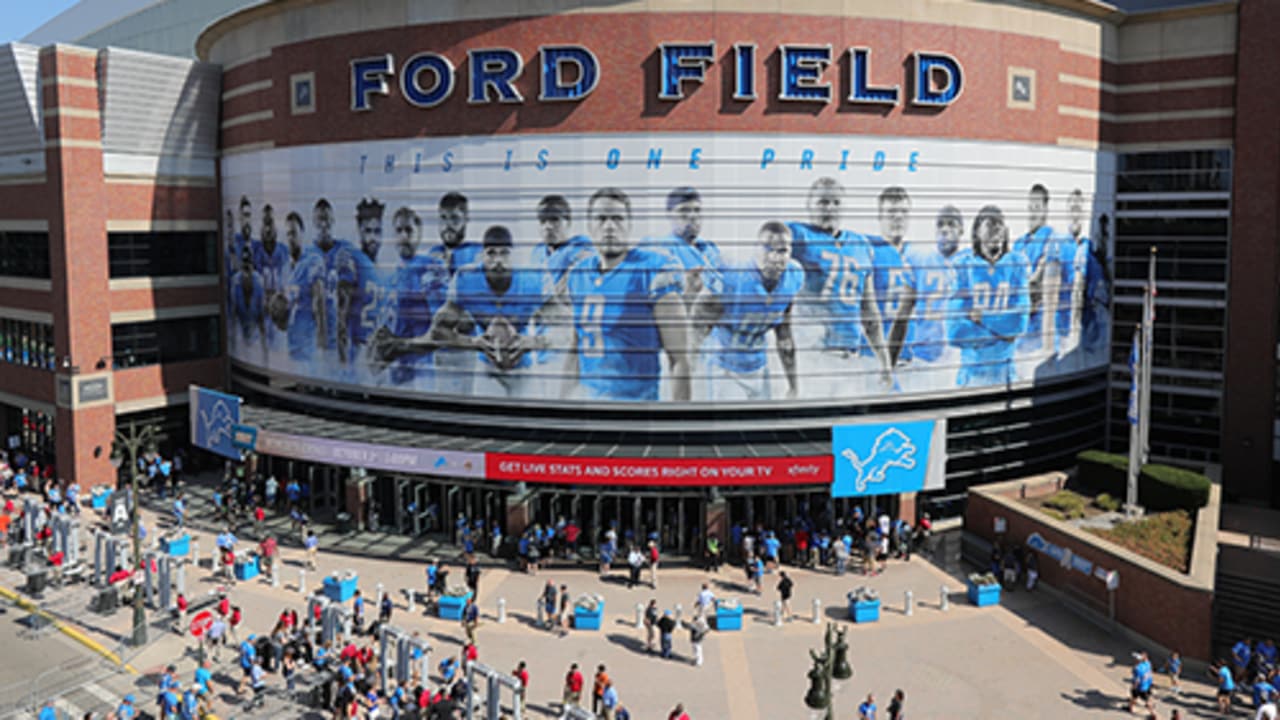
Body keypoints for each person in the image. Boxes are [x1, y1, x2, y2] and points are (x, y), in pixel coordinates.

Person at [564, 187, 692, 402]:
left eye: (617, 218)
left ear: (630, 224)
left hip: (637, 407)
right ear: (589, 225)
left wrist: (679, 424)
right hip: (588, 403)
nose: (609, 226)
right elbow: (575, 347)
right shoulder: (578, 274)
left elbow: (679, 359)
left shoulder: (653, 270)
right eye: (601, 218)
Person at [948, 205, 1031, 387]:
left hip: (1007, 375)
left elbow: (1019, 323)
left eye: (998, 230)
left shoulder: (1017, 264)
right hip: (972, 377)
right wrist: (1002, 333)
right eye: (989, 230)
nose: (994, 238)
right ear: (977, 233)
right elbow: (955, 332)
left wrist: (982, 318)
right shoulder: (962, 266)